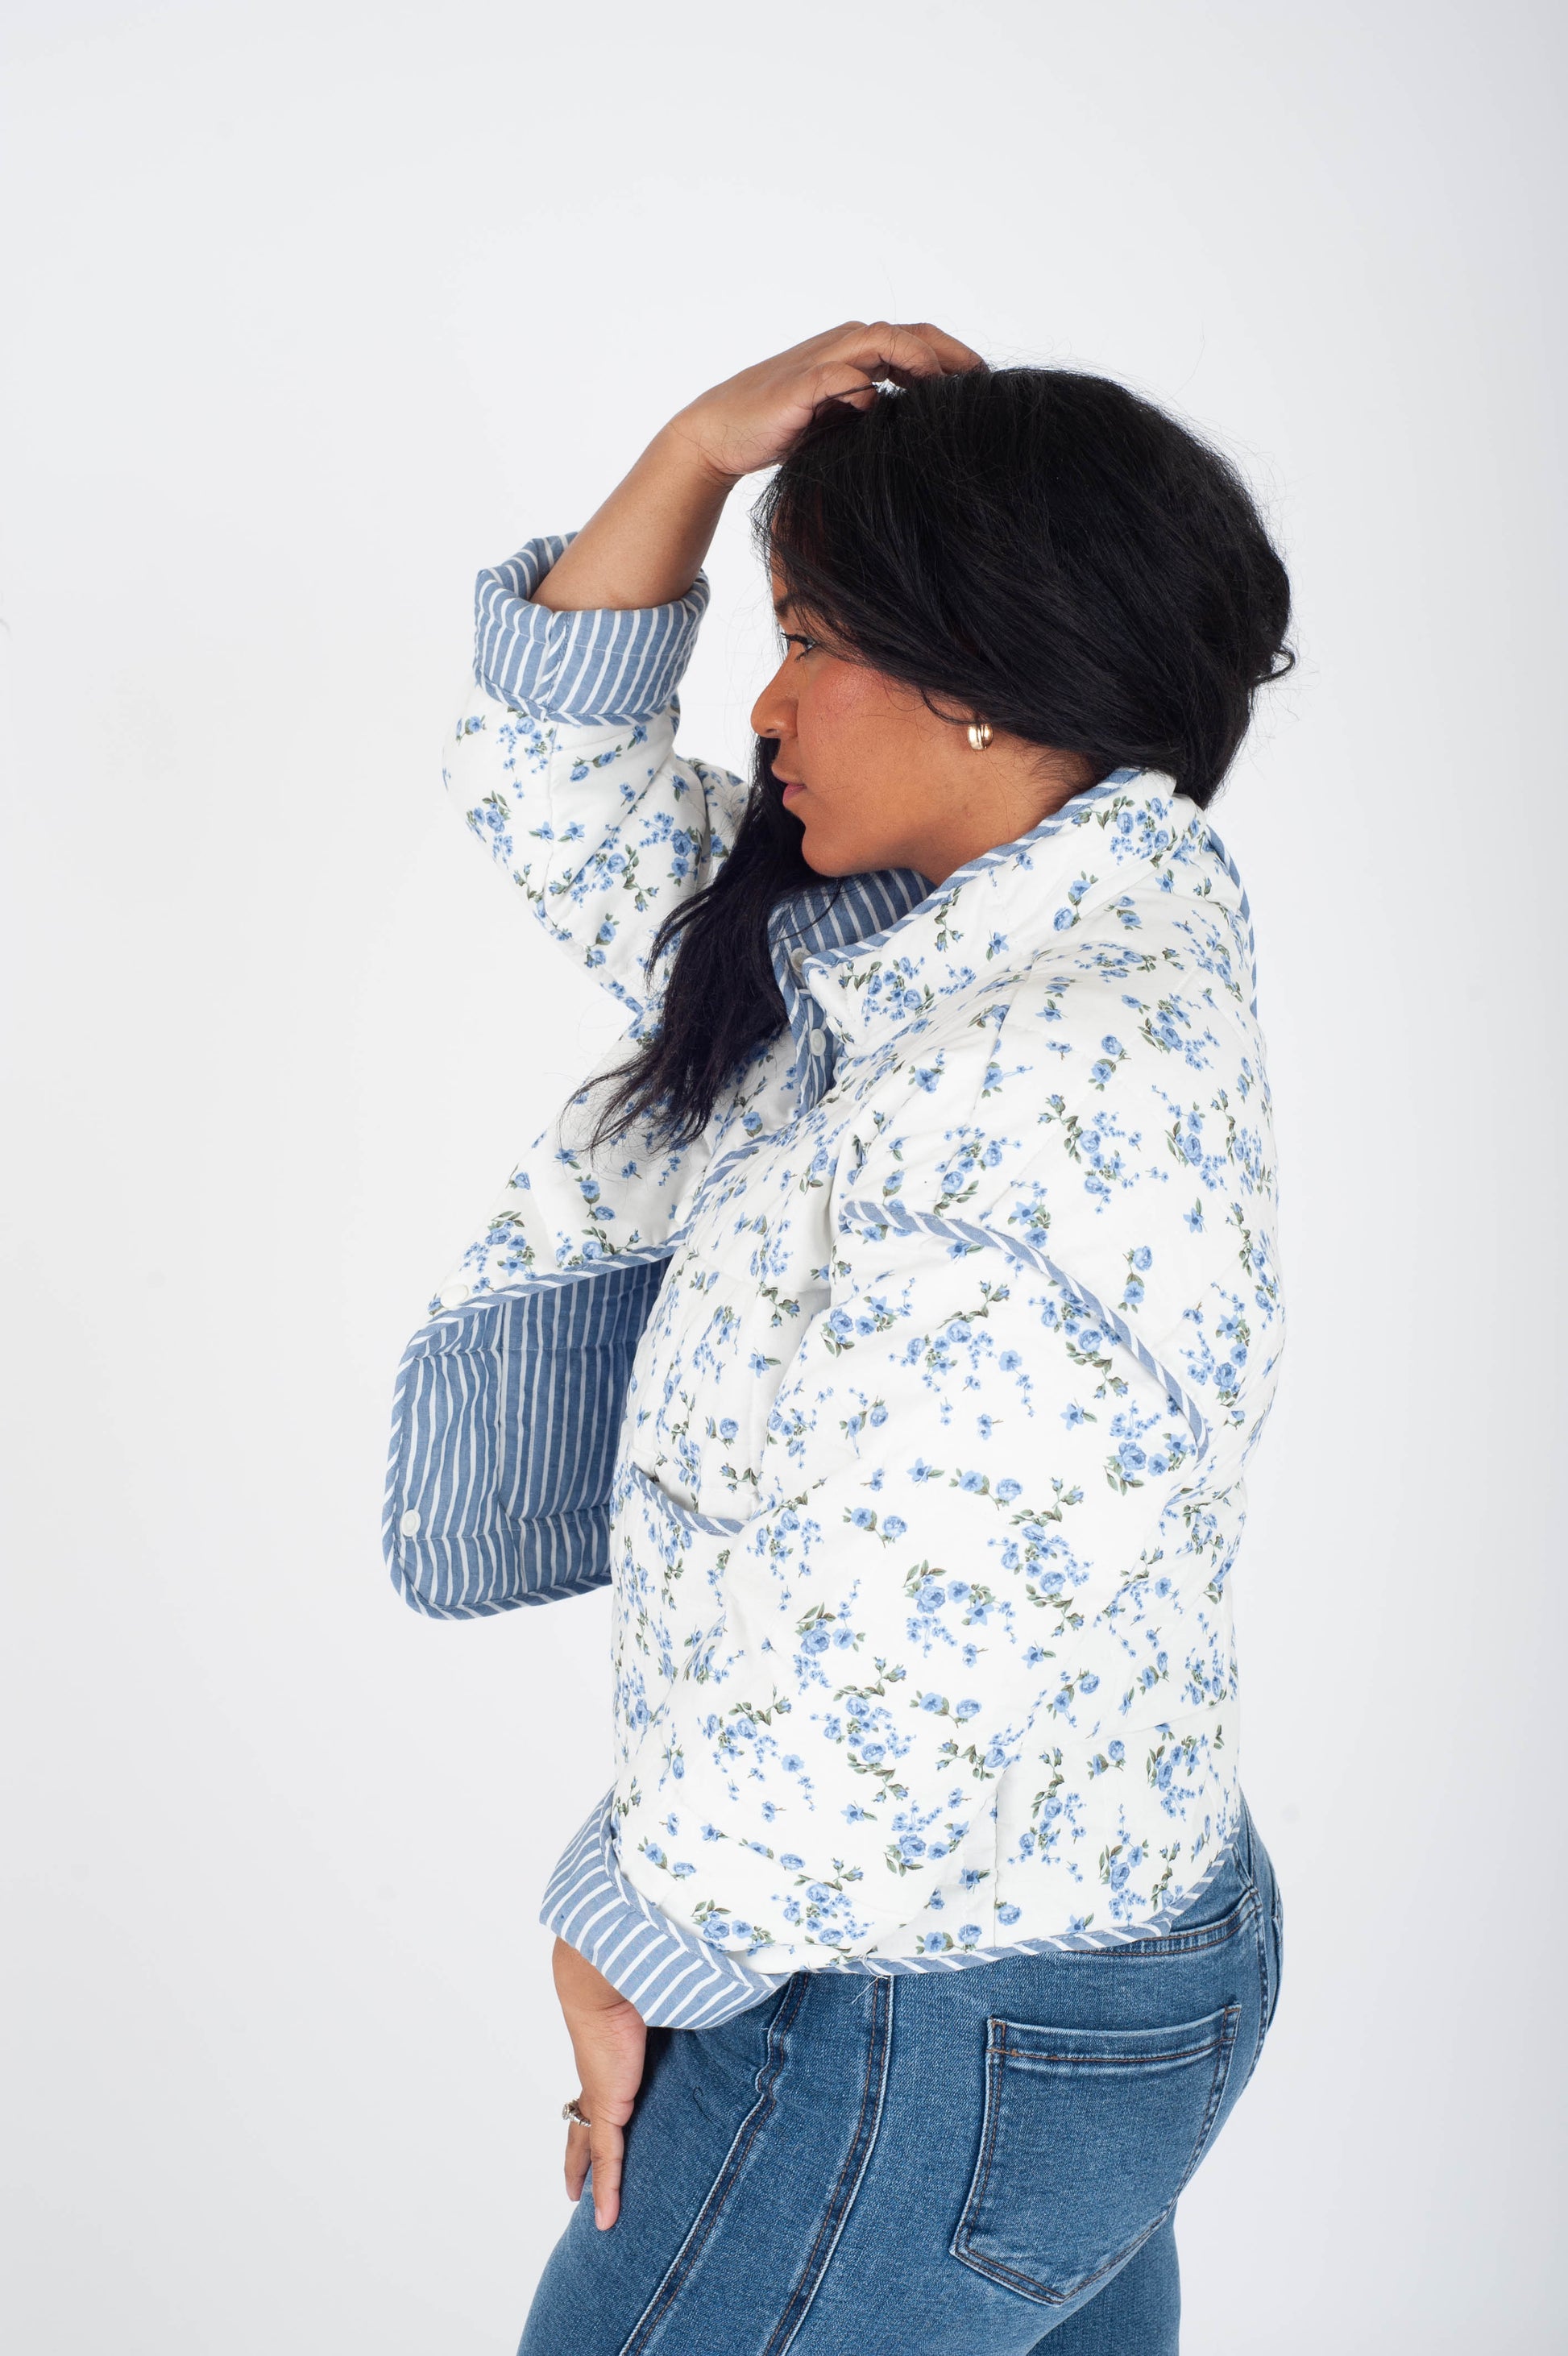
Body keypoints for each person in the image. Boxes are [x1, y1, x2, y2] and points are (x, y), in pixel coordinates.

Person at [397, 324, 1292, 2354]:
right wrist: (703, 450)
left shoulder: (1043, 1068)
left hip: (906, 2002)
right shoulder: (981, 929)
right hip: (1059, 1958)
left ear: (972, 680)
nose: (766, 698)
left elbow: (918, 1612)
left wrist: (629, 1929)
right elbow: (566, 794)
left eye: (808, 637)